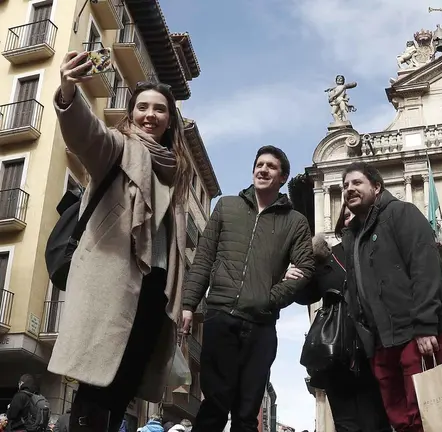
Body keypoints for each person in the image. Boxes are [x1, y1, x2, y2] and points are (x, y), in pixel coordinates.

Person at [47, 52, 193, 432]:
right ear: (131, 114)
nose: (150, 115)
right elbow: (85, 134)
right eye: (142, 107)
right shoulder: (115, 147)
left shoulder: (175, 172)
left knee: (124, 385)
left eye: (159, 110)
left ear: (169, 120)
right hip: (111, 281)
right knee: (96, 382)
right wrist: (68, 91)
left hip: (153, 289)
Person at [181, 145, 314, 432]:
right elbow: (203, 258)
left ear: (283, 177)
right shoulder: (227, 207)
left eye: (271, 167)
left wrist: (270, 299)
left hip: (261, 325)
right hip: (220, 317)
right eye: (259, 164)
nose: (263, 170)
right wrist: (188, 305)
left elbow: (305, 269)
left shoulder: (295, 222)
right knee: (214, 404)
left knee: (247, 411)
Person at [339, 162, 442, 432]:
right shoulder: (355, 236)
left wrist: (426, 325)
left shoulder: (402, 213)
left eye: (357, 183)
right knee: (401, 420)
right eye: (345, 186)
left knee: (427, 416)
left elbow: (425, 268)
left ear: (377, 187)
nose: (349, 189)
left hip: (417, 333)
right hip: (382, 341)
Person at [287, 204, 391, 432]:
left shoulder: (381, 252)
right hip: (337, 353)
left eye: (358, 213)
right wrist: (294, 275)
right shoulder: (327, 258)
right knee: (346, 424)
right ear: (341, 222)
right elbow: (304, 295)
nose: (351, 217)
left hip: (375, 351)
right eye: (346, 214)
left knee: (377, 422)